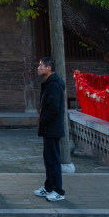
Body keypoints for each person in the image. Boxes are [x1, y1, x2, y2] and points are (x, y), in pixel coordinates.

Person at [33, 57, 66, 202]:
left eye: (41, 66)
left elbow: (54, 108)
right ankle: (48, 187)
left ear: (49, 68)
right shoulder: (50, 83)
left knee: (53, 160)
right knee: (48, 159)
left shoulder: (54, 84)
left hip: (52, 128)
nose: (38, 68)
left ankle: (58, 191)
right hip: (49, 128)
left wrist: (42, 119)